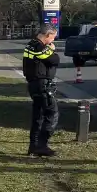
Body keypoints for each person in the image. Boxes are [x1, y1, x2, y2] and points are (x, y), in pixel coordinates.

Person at [23, 25, 61, 157]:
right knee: (52, 113)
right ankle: (42, 145)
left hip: (34, 85)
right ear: (46, 35)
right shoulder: (40, 47)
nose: (53, 40)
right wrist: (52, 50)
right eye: (52, 37)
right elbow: (55, 60)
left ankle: (33, 146)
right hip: (42, 85)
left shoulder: (30, 45)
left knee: (38, 116)